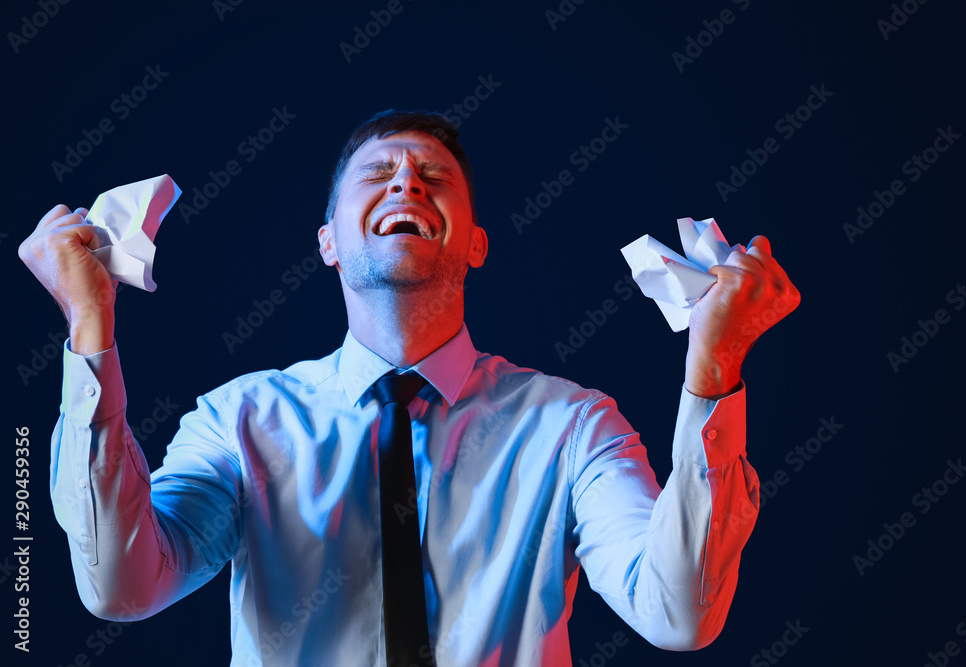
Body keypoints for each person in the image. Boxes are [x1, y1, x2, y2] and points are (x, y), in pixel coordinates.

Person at [18, 109, 800, 666]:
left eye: (432, 176)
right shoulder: (239, 422)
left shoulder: (574, 427)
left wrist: (714, 369)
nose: (406, 184)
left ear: (477, 243)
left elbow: (678, 613)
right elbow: (120, 585)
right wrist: (90, 327)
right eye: (379, 173)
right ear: (327, 241)